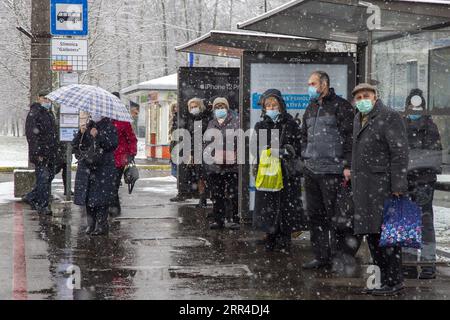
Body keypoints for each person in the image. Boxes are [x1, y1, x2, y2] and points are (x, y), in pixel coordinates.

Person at [351, 83, 409, 296]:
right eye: (358, 97)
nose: (362, 100)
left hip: (383, 187)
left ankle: (395, 281)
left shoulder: (389, 116)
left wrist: (398, 186)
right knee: (373, 235)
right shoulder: (358, 118)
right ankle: (382, 280)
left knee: (389, 236)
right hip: (364, 188)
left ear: (375, 97)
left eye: (366, 95)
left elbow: (399, 153)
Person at [300, 71, 356, 270]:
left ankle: (341, 256)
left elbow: (350, 138)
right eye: (309, 83)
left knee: (338, 217)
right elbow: (304, 136)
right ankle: (321, 256)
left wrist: (347, 165)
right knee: (316, 216)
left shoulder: (341, 106)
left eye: (313, 83)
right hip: (312, 170)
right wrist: (304, 156)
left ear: (324, 84)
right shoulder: (311, 107)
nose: (310, 87)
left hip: (333, 171)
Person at [252, 89, 304, 253]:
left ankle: (285, 239)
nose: (271, 107)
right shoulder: (260, 125)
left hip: (286, 172)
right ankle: (270, 236)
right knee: (268, 204)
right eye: (268, 105)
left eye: (274, 104)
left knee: (286, 205)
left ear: (281, 106)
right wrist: (266, 151)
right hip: (268, 172)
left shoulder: (290, 123)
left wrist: (285, 151)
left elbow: (298, 147)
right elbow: (254, 147)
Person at [402, 89, 442, 280]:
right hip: (412, 180)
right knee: (412, 222)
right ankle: (413, 264)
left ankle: (425, 265)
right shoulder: (405, 126)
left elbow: (432, 156)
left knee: (423, 223)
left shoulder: (429, 127)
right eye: (412, 105)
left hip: (423, 181)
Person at [72, 114, 118, 236]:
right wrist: (80, 133)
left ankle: (102, 225)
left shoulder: (109, 126)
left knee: (101, 198)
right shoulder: (87, 127)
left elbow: (112, 144)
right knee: (88, 197)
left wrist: (98, 135)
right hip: (87, 167)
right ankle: (90, 224)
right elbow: (75, 145)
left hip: (102, 167)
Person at [204, 97, 240, 230]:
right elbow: (207, 142)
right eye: (217, 107)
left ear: (227, 107)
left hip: (232, 165)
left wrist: (233, 154)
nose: (220, 109)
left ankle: (235, 218)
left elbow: (240, 140)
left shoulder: (236, 121)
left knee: (233, 193)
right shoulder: (211, 123)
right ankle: (218, 220)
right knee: (217, 194)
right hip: (216, 165)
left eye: (222, 106)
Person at [22, 91, 58, 215]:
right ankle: (43, 205)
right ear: (39, 98)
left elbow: (52, 133)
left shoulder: (49, 113)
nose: (47, 101)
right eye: (44, 98)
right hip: (41, 153)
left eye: (49, 99)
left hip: (50, 152)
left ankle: (32, 196)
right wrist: (38, 153)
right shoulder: (35, 113)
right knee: (43, 179)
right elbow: (32, 135)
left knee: (50, 176)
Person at [171, 97, 211, 207]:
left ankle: (205, 198)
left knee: (204, 176)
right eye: (191, 107)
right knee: (198, 176)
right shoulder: (189, 119)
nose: (193, 109)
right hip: (192, 151)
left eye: (195, 106)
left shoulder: (204, 118)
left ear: (200, 106)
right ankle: (201, 198)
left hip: (203, 151)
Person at [110, 92, 138, 217]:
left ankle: (114, 209)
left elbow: (131, 139)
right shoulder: (102, 118)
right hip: (105, 158)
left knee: (113, 185)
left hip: (119, 159)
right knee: (107, 185)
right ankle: (111, 208)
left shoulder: (123, 120)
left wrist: (132, 154)